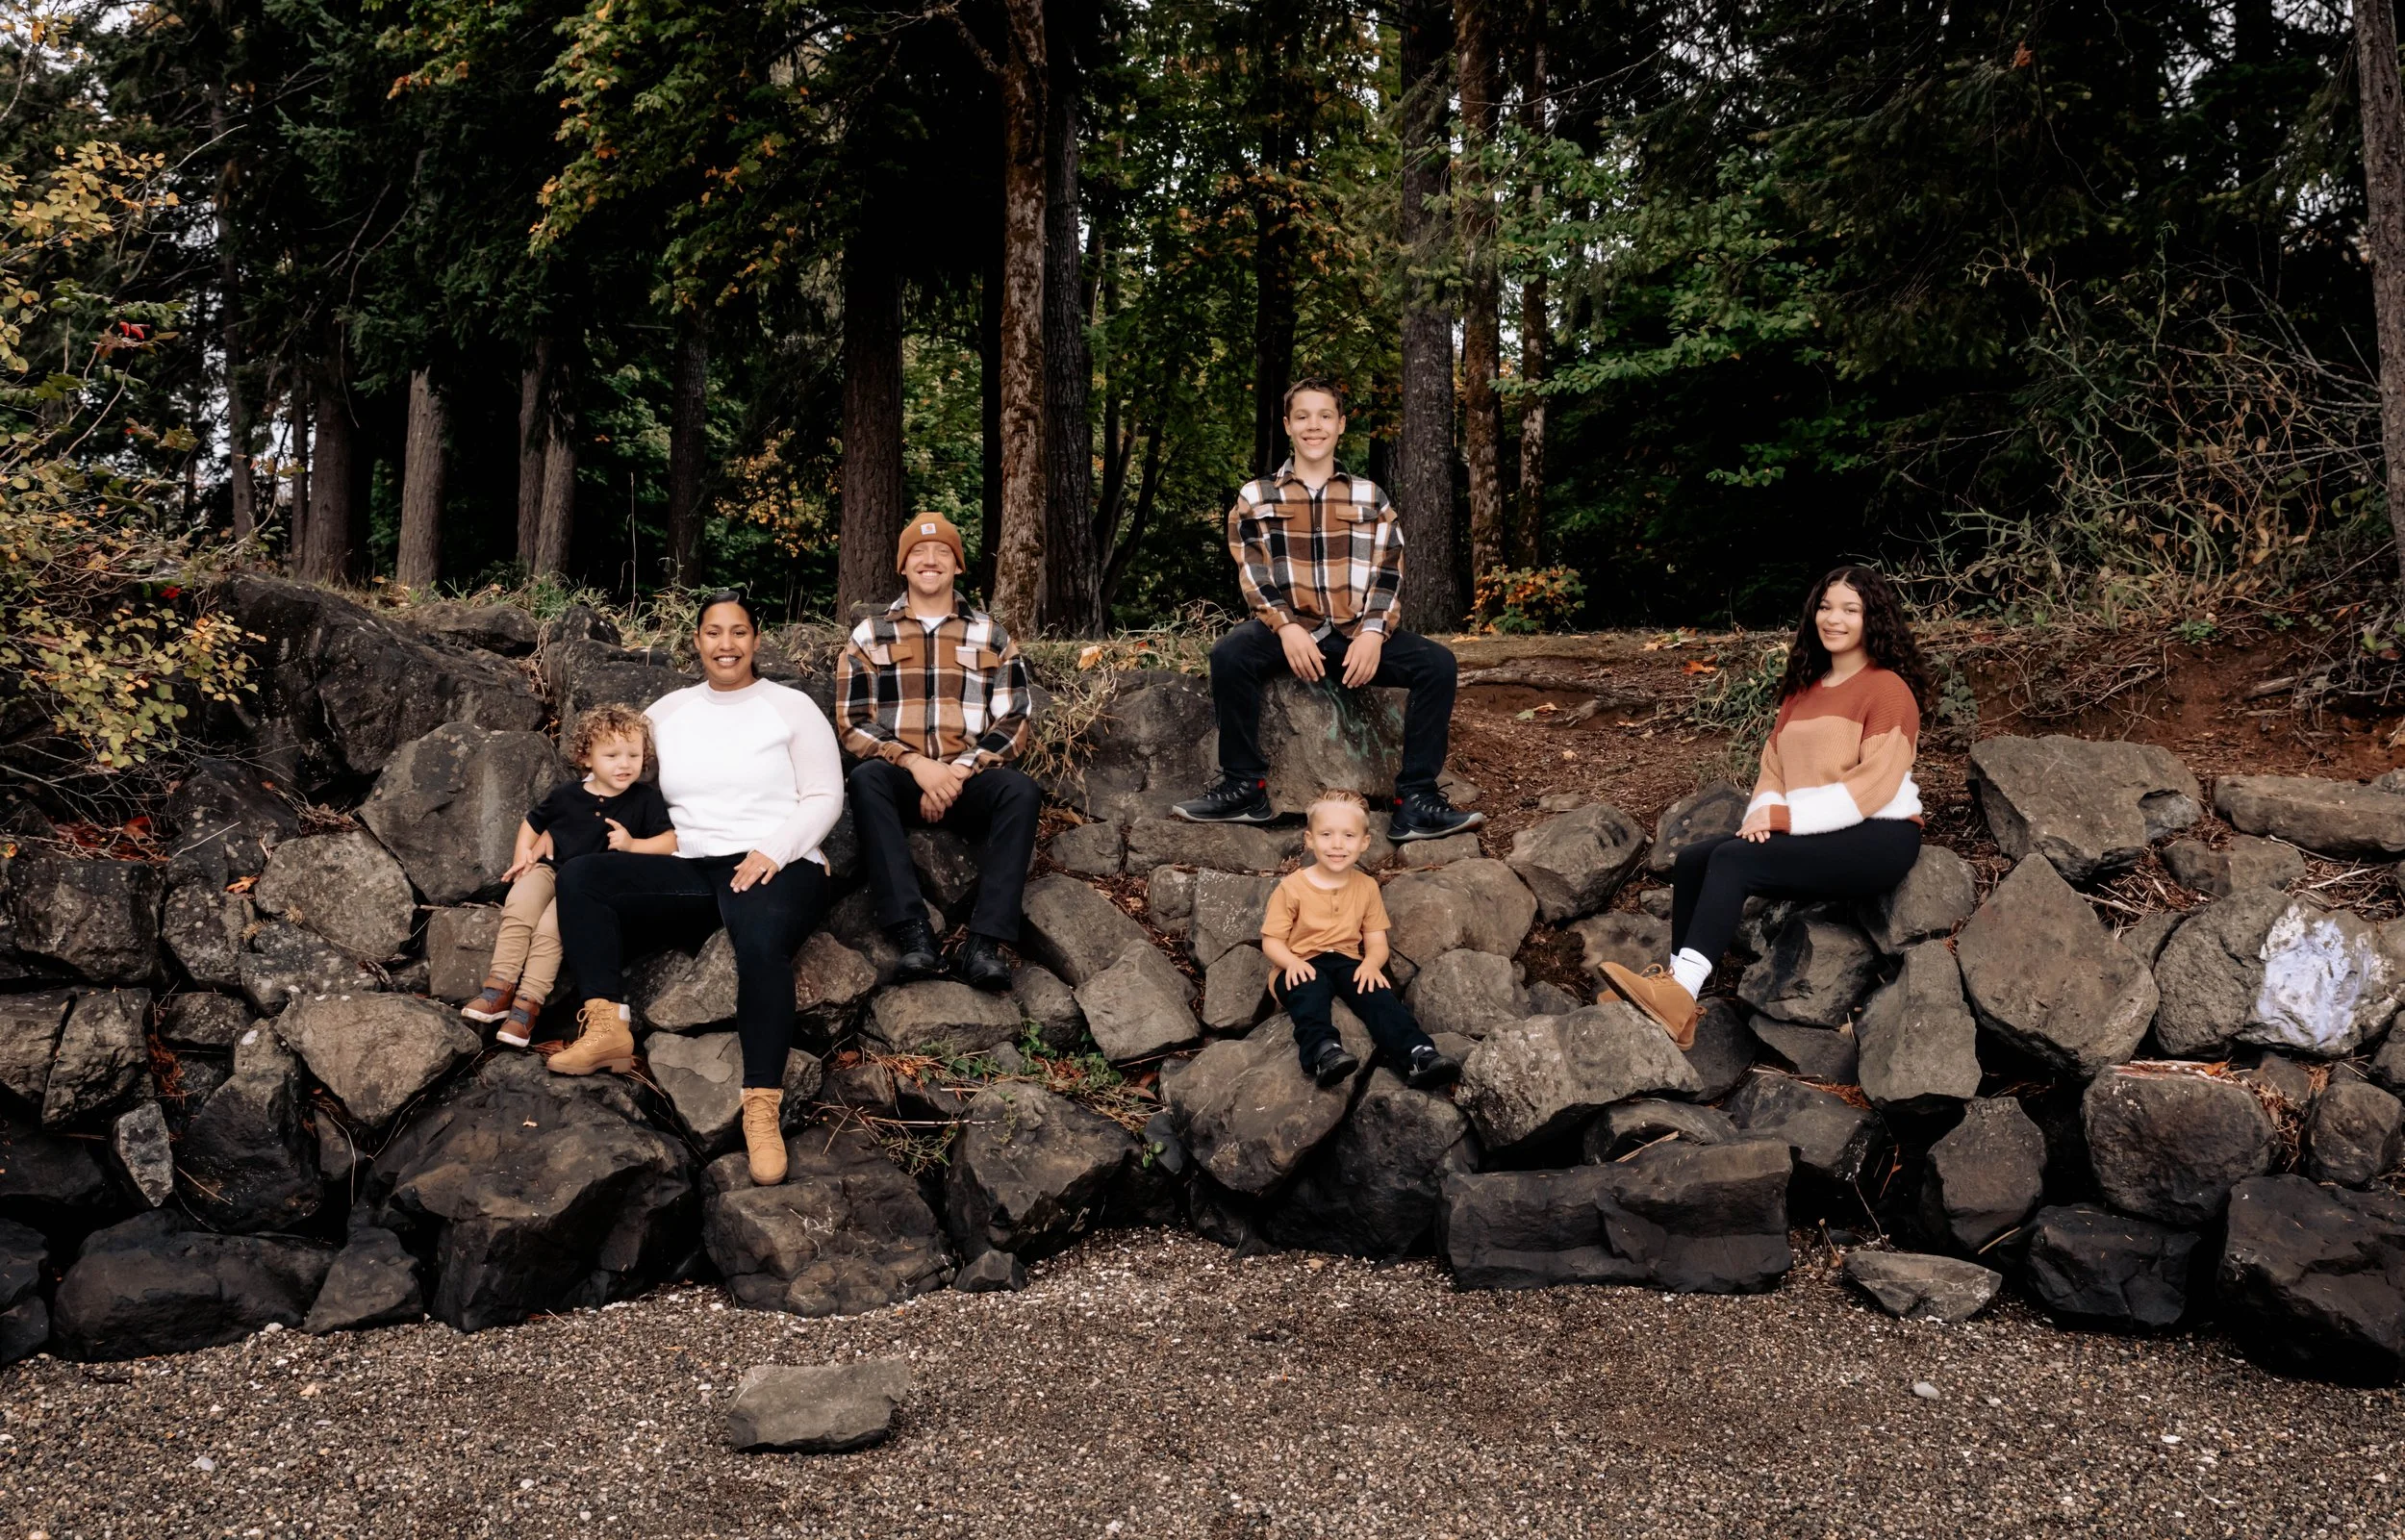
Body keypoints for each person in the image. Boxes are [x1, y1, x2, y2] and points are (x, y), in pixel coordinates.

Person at [551, 590, 845, 1187]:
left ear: (755, 640)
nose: (726, 644)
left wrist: (776, 849)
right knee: (582, 877)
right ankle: (607, 1028)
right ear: (697, 641)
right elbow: (612, 769)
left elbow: (825, 795)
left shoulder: (791, 707)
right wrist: (543, 837)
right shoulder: (669, 712)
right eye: (714, 632)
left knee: (760, 943)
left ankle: (761, 1108)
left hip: (777, 862)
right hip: (689, 864)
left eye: (738, 632)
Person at [1604, 565, 1931, 1048]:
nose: (1833, 619)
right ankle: (1675, 996)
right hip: (1817, 830)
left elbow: (1874, 785)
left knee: (1733, 860)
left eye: (1850, 610)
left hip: (1879, 834)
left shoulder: (1888, 690)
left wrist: (1784, 819)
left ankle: (1678, 995)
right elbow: (1773, 769)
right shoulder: (1803, 691)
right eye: (1825, 607)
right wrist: (1764, 814)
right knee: (1694, 859)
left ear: (1873, 619)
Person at [1172, 377, 1482, 844]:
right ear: (1287, 425)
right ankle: (1244, 788)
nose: (1313, 425)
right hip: (1289, 633)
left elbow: (1389, 569)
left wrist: (1374, 633)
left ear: (1340, 425)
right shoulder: (1257, 496)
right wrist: (1286, 628)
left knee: (1437, 664)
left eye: (1324, 416)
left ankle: (1416, 801)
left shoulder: (1370, 497)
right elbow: (1253, 572)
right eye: (1302, 416)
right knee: (1230, 655)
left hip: (1355, 634)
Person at [834, 511, 1039, 992]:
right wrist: (916, 765)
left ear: (958, 565)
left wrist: (957, 772)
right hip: (901, 778)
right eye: (919, 552)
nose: (930, 560)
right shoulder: (870, 635)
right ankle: (914, 936)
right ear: (903, 565)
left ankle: (984, 945)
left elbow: (1014, 720)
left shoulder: (991, 636)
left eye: (942, 552)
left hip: (969, 780)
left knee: (1022, 792)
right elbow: (852, 720)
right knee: (865, 779)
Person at [461, 702, 676, 1048]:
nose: (624, 764)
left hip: (585, 890)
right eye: (612, 755)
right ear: (587, 758)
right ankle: (498, 988)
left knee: (552, 929)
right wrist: (523, 856)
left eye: (633, 755)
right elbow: (533, 822)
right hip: (550, 870)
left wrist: (633, 844)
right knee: (520, 905)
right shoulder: (567, 795)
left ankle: (526, 1007)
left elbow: (670, 841)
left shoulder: (644, 801)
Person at [1261, 789, 1463, 1090]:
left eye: (1348, 835)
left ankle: (1417, 1054)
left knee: (1378, 996)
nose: (1337, 844)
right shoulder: (1292, 888)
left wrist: (1370, 965)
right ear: (1310, 839)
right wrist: (1291, 963)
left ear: (1364, 842)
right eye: (1326, 834)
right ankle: (1324, 1052)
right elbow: (1272, 941)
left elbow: (1376, 942)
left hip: (1347, 962)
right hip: (1301, 962)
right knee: (1309, 993)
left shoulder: (1366, 887)